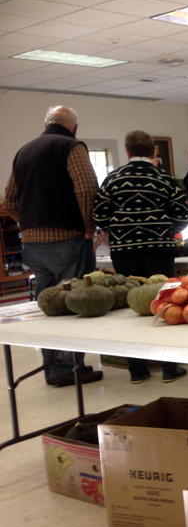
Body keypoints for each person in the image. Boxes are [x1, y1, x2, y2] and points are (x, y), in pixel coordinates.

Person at [4, 105, 103, 387]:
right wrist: (88, 228)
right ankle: (69, 370)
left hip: (32, 245)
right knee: (73, 303)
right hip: (68, 240)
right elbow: (86, 188)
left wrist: (29, 223)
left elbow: (9, 201)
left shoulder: (24, 151)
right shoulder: (70, 146)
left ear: (46, 123)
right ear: (74, 127)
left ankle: (51, 368)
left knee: (47, 305)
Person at [93, 130, 188, 384]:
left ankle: (137, 370)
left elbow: (100, 217)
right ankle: (169, 367)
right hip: (160, 249)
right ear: (153, 152)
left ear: (127, 151)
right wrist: (163, 228)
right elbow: (183, 215)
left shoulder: (112, 179)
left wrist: (120, 227)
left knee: (130, 306)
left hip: (124, 251)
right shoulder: (165, 178)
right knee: (165, 303)